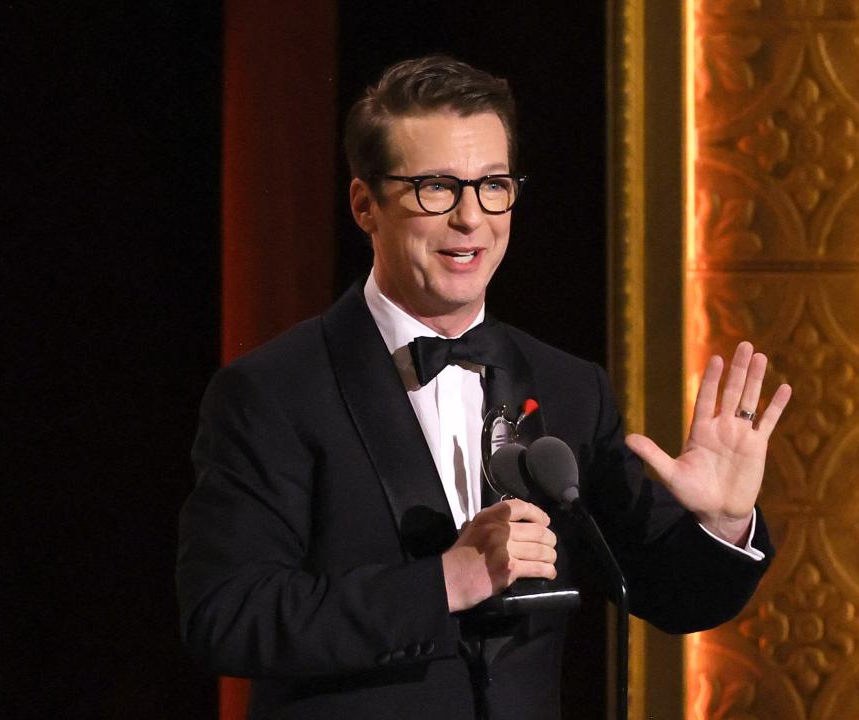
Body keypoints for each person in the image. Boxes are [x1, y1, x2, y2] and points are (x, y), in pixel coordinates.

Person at [176, 55, 792, 720]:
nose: (471, 219)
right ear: (365, 204)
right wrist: (445, 581)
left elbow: (670, 594)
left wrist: (724, 522)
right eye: (436, 188)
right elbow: (227, 617)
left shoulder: (569, 386)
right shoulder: (274, 390)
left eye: (493, 186)